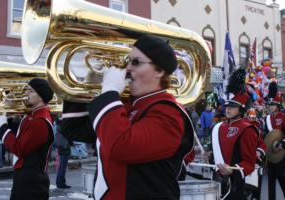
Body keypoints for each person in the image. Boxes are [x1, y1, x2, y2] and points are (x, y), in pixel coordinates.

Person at [61, 35, 195, 199]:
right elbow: (73, 130)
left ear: (159, 71)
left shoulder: (170, 113)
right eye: (127, 61)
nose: (127, 68)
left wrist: (110, 93)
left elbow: (119, 147)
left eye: (136, 62)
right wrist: (87, 84)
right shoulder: (127, 107)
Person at [0, 78, 54, 200]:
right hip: (26, 177)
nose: (26, 93)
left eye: (31, 91)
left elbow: (19, 148)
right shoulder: (33, 116)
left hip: (31, 180)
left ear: (41, 96)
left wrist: (2, 127)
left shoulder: (40, 122)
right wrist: (8, 117)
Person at [211, 68, 258, 199]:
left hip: (236, 184)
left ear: (242, 109)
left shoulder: (247, 129)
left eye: (232, 106)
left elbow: (249, 162)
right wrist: (209, 155)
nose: (228, 108)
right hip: (219, 181)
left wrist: (232, 169)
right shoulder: (220, 127)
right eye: (227, 106)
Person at [265, 82, 285, 200]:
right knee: (271, 176)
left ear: (277, 106)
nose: (270, 106)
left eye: (272, 104)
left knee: (280, 173)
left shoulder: (284, 117)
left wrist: (283, 143)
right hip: (271, 149)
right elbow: (266, 135)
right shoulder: (267, 118)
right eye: (270, 104)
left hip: (283, 148)